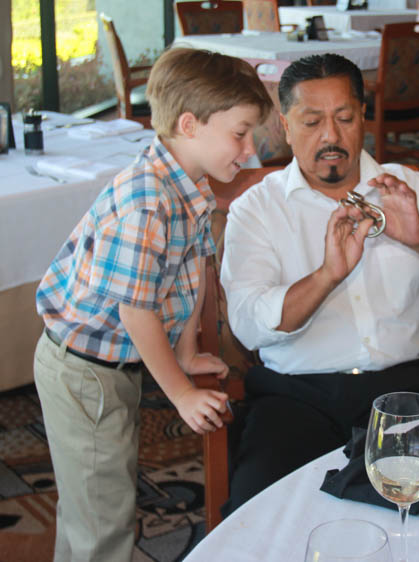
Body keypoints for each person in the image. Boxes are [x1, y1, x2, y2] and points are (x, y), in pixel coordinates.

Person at [219, 53, 419, 513]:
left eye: (345, 118)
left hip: (404, 401)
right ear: (285, 126)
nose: (330, 137)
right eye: (311, 122)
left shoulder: (409, 191)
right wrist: (328, 275)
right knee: (262, 515)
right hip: (295, 400)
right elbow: (249, 326)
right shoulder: (257, 209)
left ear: (363, 118)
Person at [33, 48, 273, 561]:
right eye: (240, 133)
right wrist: (183, 393)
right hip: (83, 371)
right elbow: (136, 311)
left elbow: (187, 276)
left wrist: (185, 351)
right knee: (104, 518)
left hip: (109, 367)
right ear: (189, 124)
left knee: (90, 503)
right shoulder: (147, 203)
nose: (250, 149)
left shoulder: (187, 184)